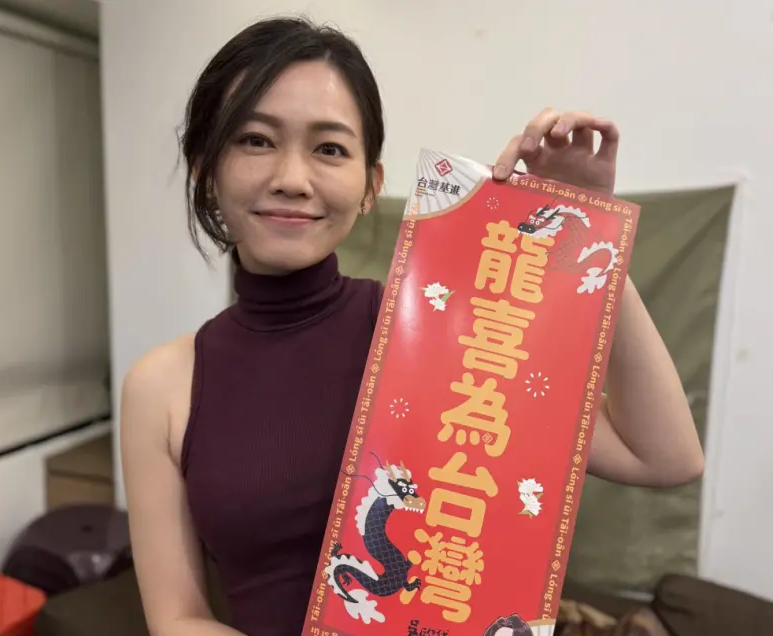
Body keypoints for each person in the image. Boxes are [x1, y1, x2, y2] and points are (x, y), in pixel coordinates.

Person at [119, 16, 705, 636]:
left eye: (329, 148)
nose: (291, 179)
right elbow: (176, 617)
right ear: (205, 169)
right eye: (255, 140)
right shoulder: (161, 386)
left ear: (370, 185)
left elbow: (664, 456)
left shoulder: (446, 336)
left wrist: (586, 231)